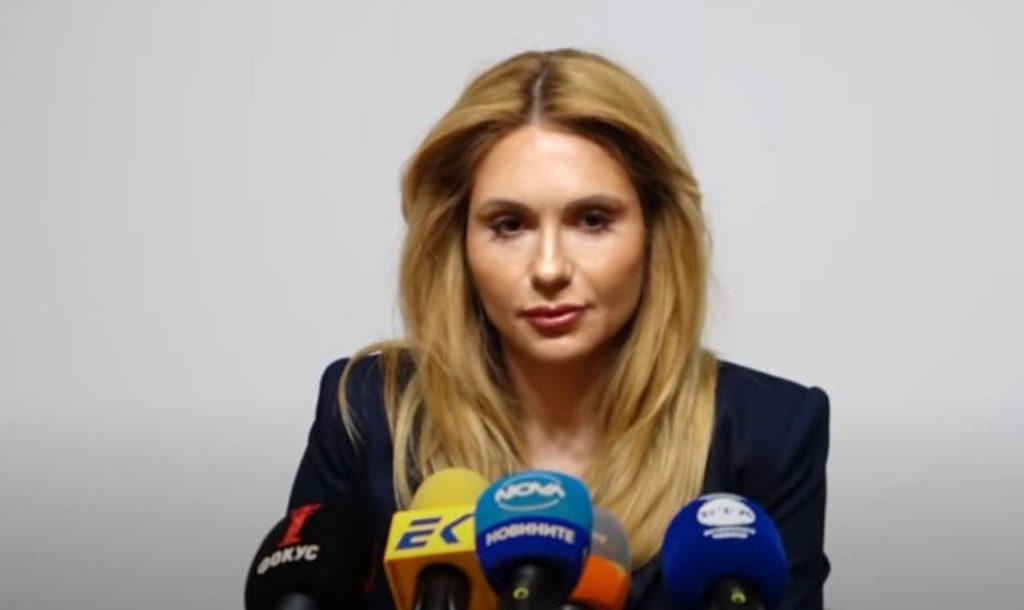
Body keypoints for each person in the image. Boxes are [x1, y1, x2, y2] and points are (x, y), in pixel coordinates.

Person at [287, 48, 830, 610]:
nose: (549, 269)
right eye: (509, 225)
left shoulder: (773, 434)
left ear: (655, 232)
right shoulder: (367, 413)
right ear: (458, 241)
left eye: (592, 220)